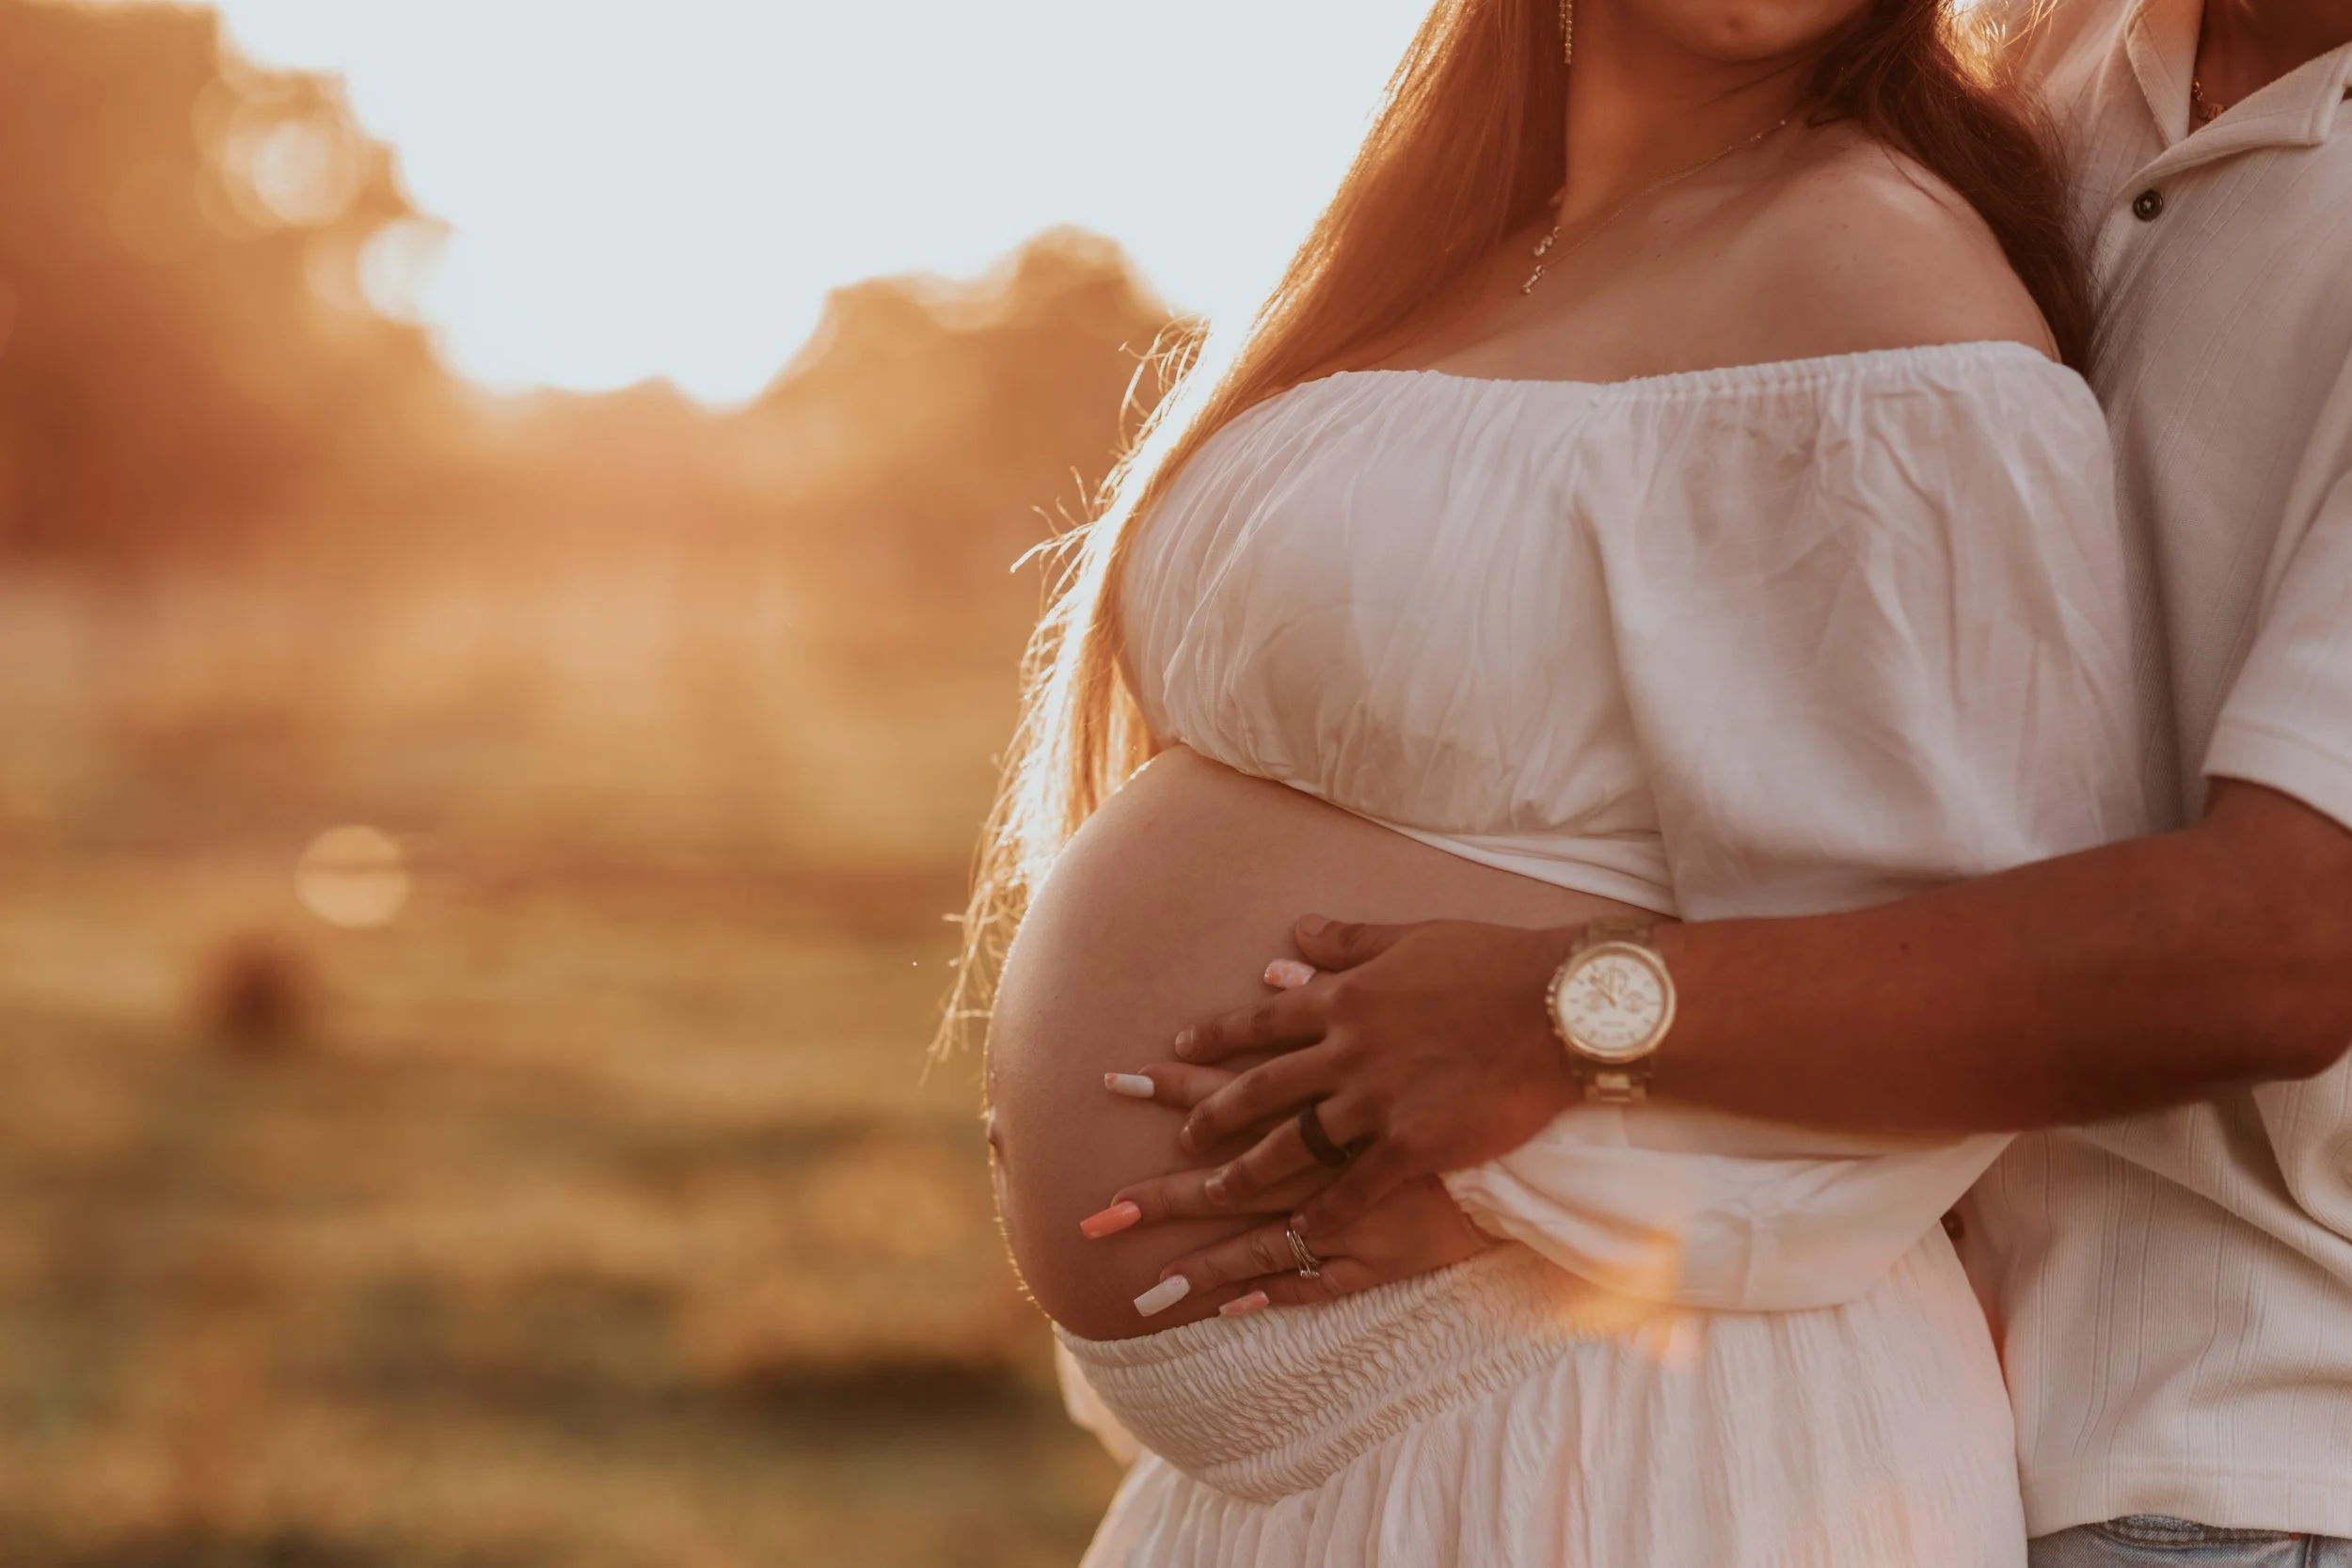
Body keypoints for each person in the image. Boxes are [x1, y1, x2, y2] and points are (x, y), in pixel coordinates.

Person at [1121, 0, 2352, 1560]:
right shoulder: (2046, 73)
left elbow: (2286, 947)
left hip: (2225, 1463)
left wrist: (1561, 1044)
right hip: (1874, 1364)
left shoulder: (1902, 220)